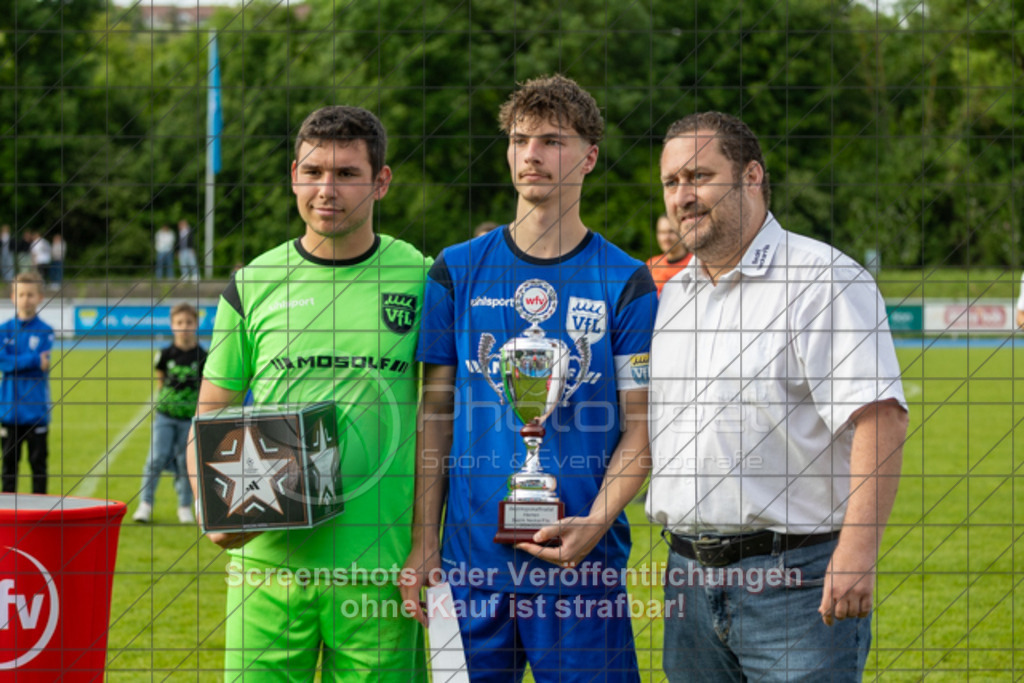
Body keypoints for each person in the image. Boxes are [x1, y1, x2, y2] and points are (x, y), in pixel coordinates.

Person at [404, 74, 656, 682]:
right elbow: (435, 416)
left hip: (581, 570)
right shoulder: (456, 271)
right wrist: (423, 542)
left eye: (552, 140)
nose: (531, 155)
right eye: (519, 140)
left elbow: (642, 433)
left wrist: (593, 524)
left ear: (590, 157)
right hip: (472, 571)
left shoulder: (626, 282)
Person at [647, 111, 909, 682]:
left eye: (699, 176)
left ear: (751, 176)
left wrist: (859, 553)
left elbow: (881, 418)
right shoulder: (673, 297)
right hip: (688, 580)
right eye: (671, 183)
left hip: (795, 583)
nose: (683, 196)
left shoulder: (822, 279)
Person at [186, 105, 429, 680]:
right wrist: (210, 509)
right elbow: (211, 411)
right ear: (294, 173)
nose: (327, 189)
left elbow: (437, 419)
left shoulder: (422, 277)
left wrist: (425, 544)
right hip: (266, 572)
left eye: (347, 174)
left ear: (381, 181)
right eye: (315, 172)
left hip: (379, 574)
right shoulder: (252, 284)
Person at [132, 302, 206, 524]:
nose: (184, 326)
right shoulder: (165, 354)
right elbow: (160, 381)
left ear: (196, 324)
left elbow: (204, 387)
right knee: (156, 458)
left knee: (186, 463)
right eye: (179, 322)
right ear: (172, 325)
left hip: (188, 419)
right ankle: (145, 505)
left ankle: (184, 506)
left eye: (189, 322)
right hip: (166, 416)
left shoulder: (203, 356)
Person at [0, 271, 54, 494]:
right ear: (13, 297)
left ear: (40, 297)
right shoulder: (3, 329)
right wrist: (31, 359)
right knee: (9, 468)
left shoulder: (45, 330)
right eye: (21, 294)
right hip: (9, 411)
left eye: (30, 294)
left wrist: (12, 361)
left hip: (35, 411)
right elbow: (2, 362)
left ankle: (41, 519)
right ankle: (7, 522)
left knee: (38, 466)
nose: (26, 299)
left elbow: (44, 363)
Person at [645, 214, 691, 295]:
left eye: (671, 232)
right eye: (662, 232)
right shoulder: (651, 264)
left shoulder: (695, 264)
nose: (666, 238)